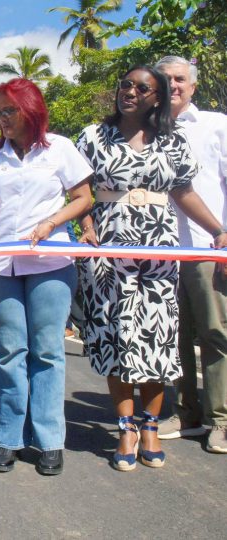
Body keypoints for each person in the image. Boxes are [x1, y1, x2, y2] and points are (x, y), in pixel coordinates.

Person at [76, 65, 227, 472]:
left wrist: (218, 230)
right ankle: (124, 427)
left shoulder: (173, 140)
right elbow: (76, 192)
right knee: (116, 337)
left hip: (159, 250)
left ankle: (150, 426)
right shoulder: (92, 136)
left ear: (157, 97)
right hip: (107, 252)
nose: (130, 92)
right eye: (125, 84)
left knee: (157, 339)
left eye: (142, 87)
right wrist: (86, 226)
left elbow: (184, 192)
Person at [0, 78, 93, 475]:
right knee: (11, 353)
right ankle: (9, 438)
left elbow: (83, 198)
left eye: (10, 110)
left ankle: (48, 441)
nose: (3, 119)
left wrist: (51, 222)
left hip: (51, 263)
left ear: (31, 109)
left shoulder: (60, 148)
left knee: (47, 352)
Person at [153, 56, 227, 454]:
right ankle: (186, 412)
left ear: (192, 86)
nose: (173, 86)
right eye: (165, 81)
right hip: (161, 252)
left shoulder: (217, 126)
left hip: (207, 247)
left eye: (180, 80)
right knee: (173, 337)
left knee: (216, 332)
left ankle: (221, 419)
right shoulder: (148, 131)